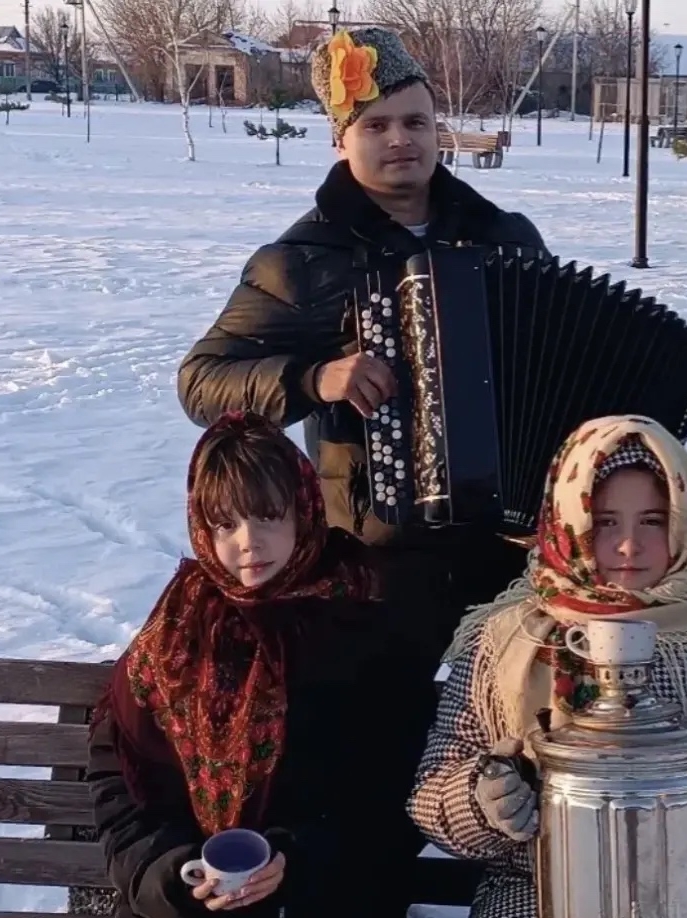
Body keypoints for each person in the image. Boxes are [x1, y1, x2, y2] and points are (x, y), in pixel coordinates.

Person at [176, 28, 547, 653]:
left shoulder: (506, 238)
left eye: (416, 122)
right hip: (373, 563)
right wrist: (313, 379)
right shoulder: (300, 262)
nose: (401, 139)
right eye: (376, 125)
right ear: (340, 137)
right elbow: (201, 381)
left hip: (513, 551)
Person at [411, 415, 687, 918]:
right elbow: (433, 789)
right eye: (605, 522)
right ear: (568, 520)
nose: (629, 545)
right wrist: (481, 800)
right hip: (535, 887)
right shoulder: (508, 639)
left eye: (653, 521)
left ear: (686, 520)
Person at [86, 412, 434, 918]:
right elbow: (121, 782)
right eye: (226, 524)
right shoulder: (180, 625)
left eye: (268, 516)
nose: (249, 541)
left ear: (303, 509)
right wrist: (171, 874)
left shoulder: (362, 615)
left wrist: (297, 860)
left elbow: (396, 792)